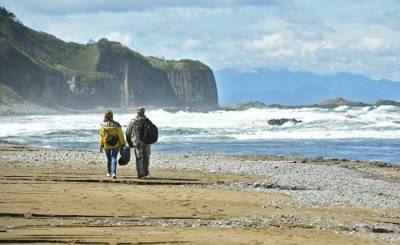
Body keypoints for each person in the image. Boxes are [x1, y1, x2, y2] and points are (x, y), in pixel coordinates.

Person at [99, 110, 126, 179]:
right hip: (115, 144)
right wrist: (123, 143)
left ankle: (109, 172)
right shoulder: (117, 124)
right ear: (112, 115)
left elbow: (101, 136)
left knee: (109, 159)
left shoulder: (103, 125)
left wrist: (101, 145)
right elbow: (120, 135)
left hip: (106, 144)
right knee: (114, 158)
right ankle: (114, 173)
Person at [126, 107, 151, 178]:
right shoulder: (148, 120)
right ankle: (146, 173)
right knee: (146, 157)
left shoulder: (133, 121)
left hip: (137, 142)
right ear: (144, 112)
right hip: (147, 142)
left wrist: (129, 142)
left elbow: (128, 132)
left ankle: (140, 174)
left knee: (139, 158)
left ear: (137, 112)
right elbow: (152, 132)